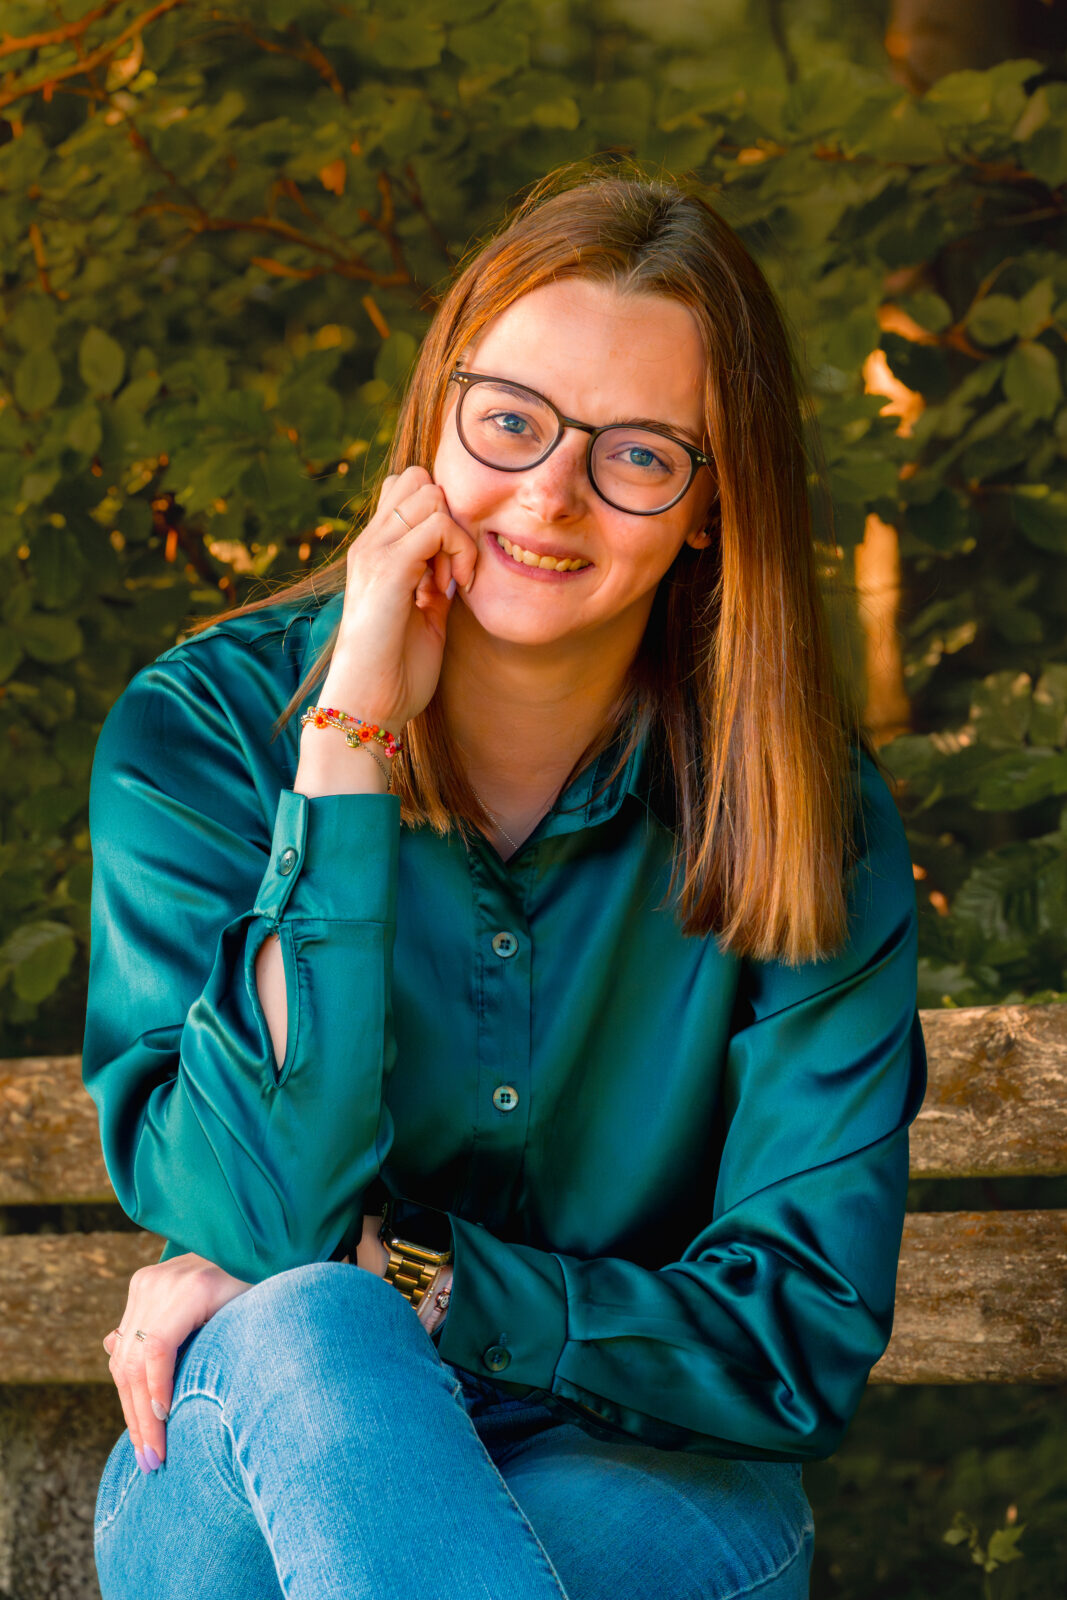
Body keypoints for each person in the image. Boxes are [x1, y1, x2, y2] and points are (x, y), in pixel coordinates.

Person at [85, 160, 927, 1600]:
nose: (548, 493)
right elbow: (258, 1229)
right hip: (248, 1454)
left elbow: (796, 1331)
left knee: (339, 1334)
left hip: (646, 1476)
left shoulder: (799, 814)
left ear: (710, 509)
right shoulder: (209, 736)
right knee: (305, 1331)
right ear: (437, 416)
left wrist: (428, 1285)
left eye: (639, 453)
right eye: (511, 422)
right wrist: (346, 746)